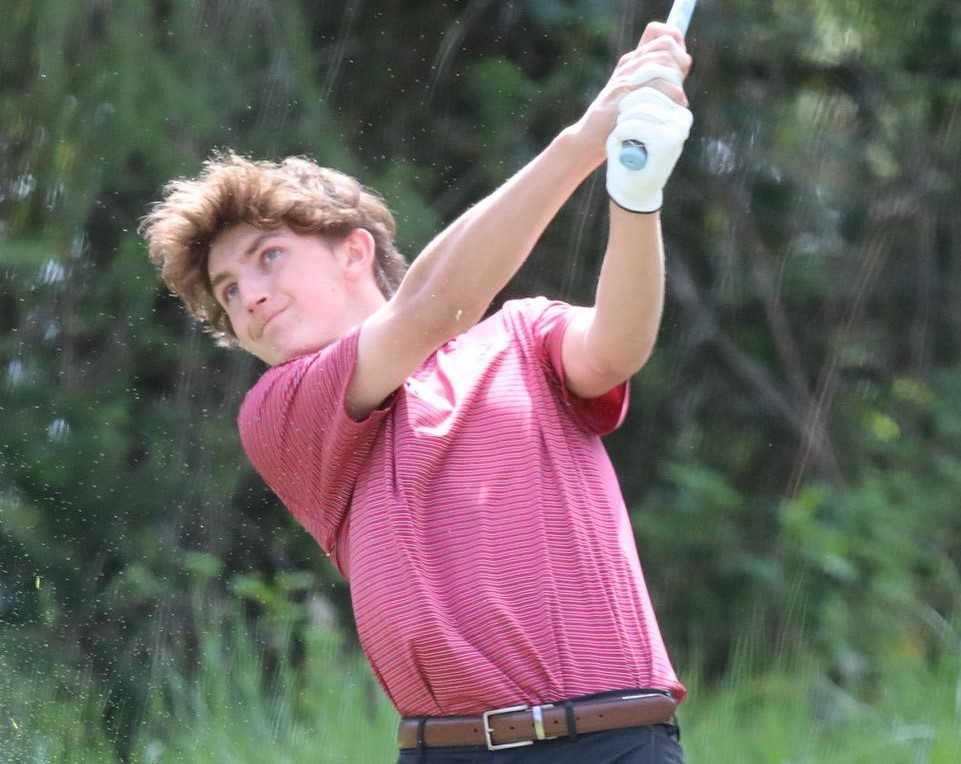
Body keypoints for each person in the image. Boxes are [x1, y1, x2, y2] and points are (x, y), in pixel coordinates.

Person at [142, 20, 693, 764]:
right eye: (228, 290)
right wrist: (584, 140)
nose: (249, 297)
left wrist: (635, 195)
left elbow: (616, 348)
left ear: (354, 251)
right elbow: (434, 306)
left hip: (615, 738)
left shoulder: (522, 335)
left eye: (269, 257)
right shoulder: (281, 410)